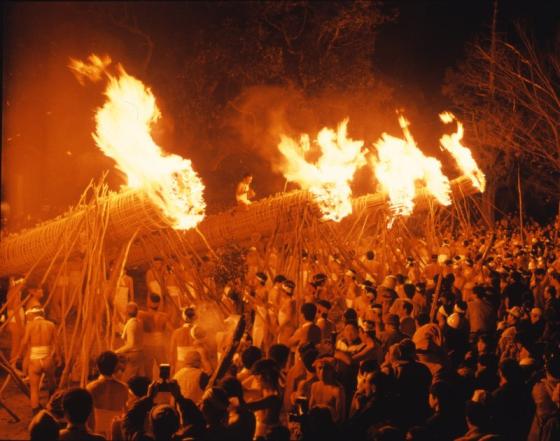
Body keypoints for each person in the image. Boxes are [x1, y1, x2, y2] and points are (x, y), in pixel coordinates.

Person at [12, 306, 56, 413]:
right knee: (52, 383)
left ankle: (35, 410)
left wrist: (18, 355)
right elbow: (55, 344)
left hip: (34, 360)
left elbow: (24, 341)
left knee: (34, 389)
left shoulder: (30, 325)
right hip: (47, 358)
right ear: (43, 315)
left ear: (33, 316)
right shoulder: (51, 325)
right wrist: (57, 356)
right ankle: (52, 404)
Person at [86, 351, 128, 439]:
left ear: (97, 366)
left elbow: (88, 415)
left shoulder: (91, 388)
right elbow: (125, 413)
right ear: (116, 367)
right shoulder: (123, 388)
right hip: (116, 431)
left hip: (97, 430)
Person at [139, 293, 172, 379]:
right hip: (159, 345)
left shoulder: (141, 315)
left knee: (148, 371)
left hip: (147, 345)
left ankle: (150, 388)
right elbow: (171, 330)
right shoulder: (163, 316)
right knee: (164, 368)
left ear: (149, 302)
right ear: (159, 303)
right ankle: (166, 386)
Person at [115, 302, 144, 381]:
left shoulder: (132, 324)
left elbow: (130, 344)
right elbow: (130, 332)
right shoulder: (137, 322)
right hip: (139, 353)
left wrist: (117, 351)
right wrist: (118, 324)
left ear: (126, 313)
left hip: (134, 355)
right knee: (137, 379)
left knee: (126, 380)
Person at [169, 306, 197, 373]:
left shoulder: (177, 332)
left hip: (181, 365)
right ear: (195, 318)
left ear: (184, 318)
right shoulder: (198, 332)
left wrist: (172, 367)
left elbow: (172, 352)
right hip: (195, 365)